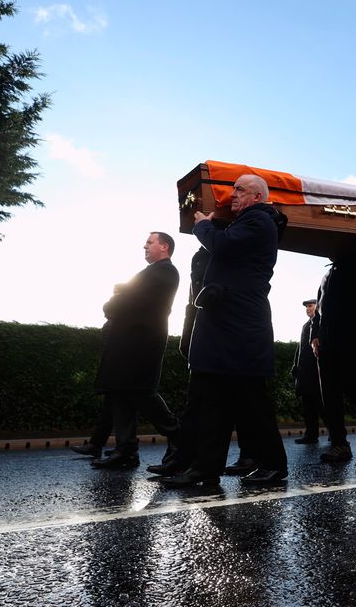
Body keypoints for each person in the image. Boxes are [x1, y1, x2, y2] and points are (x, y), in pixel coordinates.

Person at [161, 174, 288, 487]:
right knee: (213, 400)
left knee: (252, 401)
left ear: (257, 196)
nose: (233, 194)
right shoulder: (246, 222)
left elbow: (221, 243)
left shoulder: (259, 221)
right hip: (228, 322)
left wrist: (203, 222)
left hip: (240, 324)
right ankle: (205, 467)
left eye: (239, 189)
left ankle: (273, 464)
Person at [89, 232, 182, 469]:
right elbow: (127, 298)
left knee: (142, 392)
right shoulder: (153, 273)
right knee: (120, 392)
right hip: (129, 342)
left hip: (142, 343)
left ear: (164, 247)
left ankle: (180, 438)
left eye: (150, 242)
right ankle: (126, 450)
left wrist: (114, 301)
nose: (145, 246)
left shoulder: (165, 271)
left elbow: (127, 300)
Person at [311, 252, 356, 463]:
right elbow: (319, 312)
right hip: (327, 342)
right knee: (329, 394)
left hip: (350, 338)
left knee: (353, 386)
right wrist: (314, 335)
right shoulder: (327, 276)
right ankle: (339, 444)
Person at [292, 298, 322, 444]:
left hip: (317, 372)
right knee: (308, 405)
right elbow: (300, 348)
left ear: (317, 306)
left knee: (322, 405)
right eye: (306, 307)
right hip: (305, 372)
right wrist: (295, 365)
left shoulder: (321, 322)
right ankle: (311, 434)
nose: (308, 309)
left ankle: (337, 437)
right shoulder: (305, 325)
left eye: (310, 306)